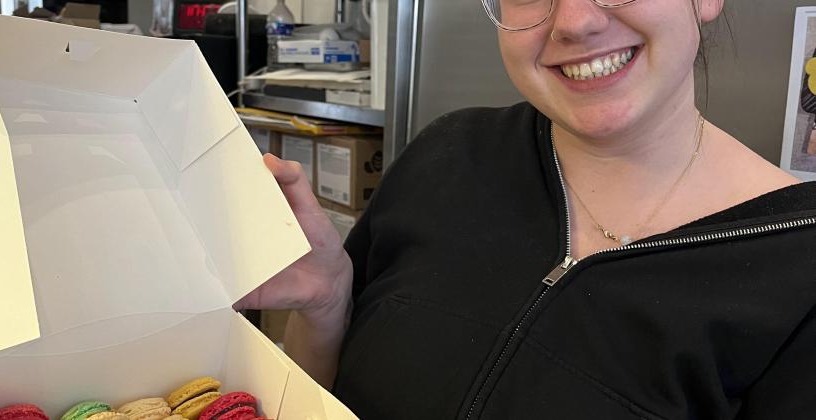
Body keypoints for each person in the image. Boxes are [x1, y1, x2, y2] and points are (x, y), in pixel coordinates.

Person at [235, 0, 816, 418]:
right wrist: (330, 302)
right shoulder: (448, 153)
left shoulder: (798, 272)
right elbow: (321, 398)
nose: (575, 20)